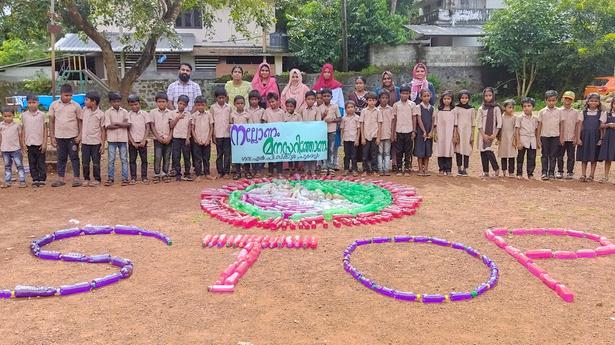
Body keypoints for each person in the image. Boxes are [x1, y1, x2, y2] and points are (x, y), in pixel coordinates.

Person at [49, 83, 82, 187]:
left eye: (70, 95)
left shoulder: (76, 105)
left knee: (74, 157)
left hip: (72, 136)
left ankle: (76, 178)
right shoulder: (54, 105)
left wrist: (79, 135)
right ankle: (60, 178)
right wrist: (52, 137)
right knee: (61, 158)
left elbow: (80, 121)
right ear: (61, 94)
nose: (68, 97)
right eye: (66, 95)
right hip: (59, 137)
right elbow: (51, 122)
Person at [313, 63, 345, 170]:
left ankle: (334, 163)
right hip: (320, 122)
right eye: (325, 72)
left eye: (329, 72)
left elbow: (341, 103)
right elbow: (314, 103)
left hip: (334, 120)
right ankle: (320, 164)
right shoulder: (317, 86)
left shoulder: (337, 86)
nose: (326, 74)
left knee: (333, 144)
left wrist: (338, 120)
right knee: (321, 143)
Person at [104, 91, 130, 186]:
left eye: (118, 101)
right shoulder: (107, 112)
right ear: (110, 102)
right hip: (112, 140)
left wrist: (116, 123)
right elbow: (107, 126)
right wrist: (121, 124)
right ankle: (110, 178)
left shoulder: (125, 112)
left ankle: (125, 178)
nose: (116, 103)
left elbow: (128, 124)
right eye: (114, 101)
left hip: (123, 139)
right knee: (111, 159)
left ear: (121, 102)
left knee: (124, 159)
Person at [21, 94, 47, 187]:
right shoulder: (24, 115)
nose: (32, 104)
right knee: (32, 162)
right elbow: (23, 129)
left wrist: (44, 143)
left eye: (34, 102)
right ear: (27, 103)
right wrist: (23, 143)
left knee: (41, 162)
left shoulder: (42, 115)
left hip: (39, 143)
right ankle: (35, 179)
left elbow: (45, 129)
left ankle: (42, 179)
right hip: (29, 143)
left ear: (38, 103)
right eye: (29, 103)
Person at [577, 93, 604, 182]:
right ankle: (583, 174)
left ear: (599, 102)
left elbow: (601, 127)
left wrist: (601, 138)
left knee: (594, 156)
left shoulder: (601, 113)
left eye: (595, 101)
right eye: (591, 100)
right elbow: (579, 126)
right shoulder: (583, 112)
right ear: (587, 102)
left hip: (595, 137)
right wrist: (578, 138)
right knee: (584, 156)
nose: (593, 102)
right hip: (584, 136)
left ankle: (591, 175)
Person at [80, 91, 105, 187]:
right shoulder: (84, 110)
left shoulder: (101, 114)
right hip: (85, 142)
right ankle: (86, 178)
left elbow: (103, 130)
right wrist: (80, 136)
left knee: (96, 162)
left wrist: (102, 144)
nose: (85, 102)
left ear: (93, 102)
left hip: (96, 142)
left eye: (86, 100)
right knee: (85, 162)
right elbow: (81, 124)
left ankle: (97, 178)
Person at [537, 90, 563, 180]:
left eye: (553, 100)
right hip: (544, 136)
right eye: (549, 100)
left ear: (556, 101)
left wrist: (561, 137)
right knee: (544, 155)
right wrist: (538, 138)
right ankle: (544, 172)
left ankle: (551, 172)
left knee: (553, 155)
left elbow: (561, 124)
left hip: (555, 136)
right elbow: (539, 125)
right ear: (545, 101)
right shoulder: (542, 112)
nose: (551, 102)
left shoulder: (559, 111)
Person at [477, 87, 502, 178]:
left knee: (489, 151)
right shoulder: (481, 108)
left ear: (493, 96)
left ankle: (496, 168)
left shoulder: (496, 108)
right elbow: (478, 123)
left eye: (490, 95)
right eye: (486, 96)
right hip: (482, 134)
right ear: (483, 96)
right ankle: (485, 171)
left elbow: (499, 123)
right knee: (483, 152)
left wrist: (494, 134)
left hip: (492, 133)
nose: (488, 97)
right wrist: (483, 135)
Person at [392, 84, 416, 176]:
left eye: (406, 93)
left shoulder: (412, 104)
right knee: (399, 151)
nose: (404, 95)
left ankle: (407, 168)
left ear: (409, 94)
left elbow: (414, 118)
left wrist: (414, 131)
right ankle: (398, 168)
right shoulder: (396, 105)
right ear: (400, 94)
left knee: (408, 151)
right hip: (399, 131)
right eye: (403, 93)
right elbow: (394, 119)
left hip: (409, 131)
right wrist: (393, 132)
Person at [127, 94, 151, 184]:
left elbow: (147, 127)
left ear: (139, 103)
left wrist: (144, 140)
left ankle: (144, 177)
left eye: (136, 104)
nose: (134, 106)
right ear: (129, 105)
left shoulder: (144, 114)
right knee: (132, 160)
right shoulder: (128, 115)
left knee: (144, 160)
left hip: (142, 141)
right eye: (132, 105)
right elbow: (128, 130)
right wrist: (132, 141)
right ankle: (133, 177)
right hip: (132, 142)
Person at [150, 92, 173, 183]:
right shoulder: (153, 112)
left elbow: (172, 127)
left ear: (167, 102)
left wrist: (170, 137)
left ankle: (165, 173)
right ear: (156, 102)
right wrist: (158, 137)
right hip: (157, 139)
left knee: (167, 156)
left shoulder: (170, 113)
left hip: (168, 139)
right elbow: (152, 126)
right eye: (159, 102)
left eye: (163, 101)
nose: (161, 103)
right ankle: (156, 173)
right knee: (158, 156)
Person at [558, 91, 582, 179]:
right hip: (561, 137)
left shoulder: (576, 112)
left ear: (573, 101)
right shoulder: (558, 111)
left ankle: (570, 172)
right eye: (566, 98)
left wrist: (576, 137)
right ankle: (560, 171)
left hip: (571, 138)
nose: (567, 100)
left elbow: (577, 125)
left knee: (571, 156)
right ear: (562, 99)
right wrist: (560, 137)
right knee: (560, 155)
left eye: (570, 99)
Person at [0, 106, 25, 188]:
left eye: (9, 116)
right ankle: (8, 181)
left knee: (19, 165)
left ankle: (22, 181)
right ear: (2, 116)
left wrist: (22, 147)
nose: (7, 118)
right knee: (7, 166)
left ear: (13, 115)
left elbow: (20, 137)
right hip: (5, 150)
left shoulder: (17, 125)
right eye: (5, 116)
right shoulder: (1, 126)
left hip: (16, 149)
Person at [191, 96, 215, 181]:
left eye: (202, 105)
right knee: (197, 159)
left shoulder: (209, 114)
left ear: (205, 105)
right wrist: (196, 139)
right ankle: (198, 175)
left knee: (206, 158)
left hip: (206, 141)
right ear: (195, 105)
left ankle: (207, 173)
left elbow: (211, 127)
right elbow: (192, 129)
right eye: (198, 105)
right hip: (197, 141)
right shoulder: (194, 116)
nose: (200, 107)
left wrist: (208, 139)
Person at [170, 94, 192, 182]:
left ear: (186, 105)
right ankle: (178, 173)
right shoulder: (172, 113)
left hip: (185, 138)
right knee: (176, 156)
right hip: (176, 138)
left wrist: (188, 138)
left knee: (187, 156)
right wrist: (178, 118)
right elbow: (171, 125)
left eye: (184, 104)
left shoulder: (188, 114)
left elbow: (189, 127)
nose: (182, 106)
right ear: (177, 103)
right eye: (180, 103)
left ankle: (187, 173)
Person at [515, 97, 539, 179]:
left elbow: (536, 131)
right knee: (520, 158)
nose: (526, 108)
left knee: (532, 158)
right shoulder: (520, 117)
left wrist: (537, 141)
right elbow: (517, 130)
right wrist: (518, 142)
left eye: (529, 106)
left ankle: (530, 174)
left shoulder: (535, 118)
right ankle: (519, 173)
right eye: (524, 106)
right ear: (522, 107)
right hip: (523, 139)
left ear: (533, 107)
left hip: (532, 140)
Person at [434, 90, 457, 176]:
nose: (446, 100)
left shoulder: (453, 111)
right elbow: (435, 124)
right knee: (441, 151)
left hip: (449, 134)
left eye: (448, 98)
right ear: (442, 100)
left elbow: (455, 124)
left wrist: (454, 134)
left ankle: (448, 170)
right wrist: (435, 133)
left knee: (448, 151)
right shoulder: (438, 111)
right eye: (445, 98)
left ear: (451, 100)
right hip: (441, 134)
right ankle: (441, 169)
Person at [262, 92, 285, 177]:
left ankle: (279, 172)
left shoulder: (282, 112)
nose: (272, 103)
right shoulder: (266, 111)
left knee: (279, 154)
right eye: (270, 102)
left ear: (277, 101)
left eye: (273, 101)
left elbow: (284, 124)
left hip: (279, 137)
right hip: (269, 136)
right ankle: (270, 171)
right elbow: (264, 122)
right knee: (270, 154)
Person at [360, 92, 383, 176]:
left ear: (376, 101)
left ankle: (374, 170)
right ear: (366, 101)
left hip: (374, 135)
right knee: (365, 154)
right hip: (366, 136)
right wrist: (362, 137)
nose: (372, 102)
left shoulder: (378, 111)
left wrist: (378, 137)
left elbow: (380, 124)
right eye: (370, 100)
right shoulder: (364, 111)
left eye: (373, 100)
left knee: (374, 154)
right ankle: (365, 170)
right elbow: (361, 124)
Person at [212, 87, 233, 178]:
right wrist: (213, 135)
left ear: (226, 97)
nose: (221, 99)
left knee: (227, 154)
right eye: (219, 98)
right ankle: (220, 171)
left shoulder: (229, 107)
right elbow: (212, 122)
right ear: (216, 98)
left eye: (223, 98)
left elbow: (231, 121)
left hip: (227, 134)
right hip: (218, 134)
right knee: (219, 154)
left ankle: (227, 172)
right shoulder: (213, 108)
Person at [320, 88, 342, 175]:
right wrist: (323, 116)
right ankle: (324, 166)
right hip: (322, 131)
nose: (326, 98)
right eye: (324, 96)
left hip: (332, 130)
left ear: (331, 97)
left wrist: (332, 120)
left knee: (331, 149)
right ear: (321, 97)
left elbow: (339, 118)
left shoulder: (335, 106)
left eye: (328, 96)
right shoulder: (319, 107)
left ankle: (331, 166)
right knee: (324, 148)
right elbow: (318, 120)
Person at [454, 90, 475, 177]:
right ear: (459, 98)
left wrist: (472, 135)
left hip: (468, 132)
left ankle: (465, 168)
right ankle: (459, 168)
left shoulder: (471, 109)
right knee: (458, 150)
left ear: (469, 99)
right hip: (459, 131)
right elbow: (455, 122)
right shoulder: (456, 108)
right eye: (462, 98)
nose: (464, 99)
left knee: (466, 150)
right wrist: (456, 133)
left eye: (466, 98)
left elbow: (473, 123)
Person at [414, 89, 435, 176]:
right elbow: (419, 120)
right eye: (424, 96)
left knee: (427, 151)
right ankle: (420, 169)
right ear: (421, 97)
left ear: (430, 96)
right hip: (420, 132)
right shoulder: (418, 107)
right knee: (420, 151)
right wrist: (424, 131)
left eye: (428, 96)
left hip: (429, 132)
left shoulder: (432, 108)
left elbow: (433, 121)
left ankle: (426, 169)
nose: (426, 98)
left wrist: (430, 132)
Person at [301, 90, 321, 177]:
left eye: (312, 99)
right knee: (305, 152)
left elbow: (318, 122)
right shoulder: (302, 109)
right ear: (305, 100)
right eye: (308, 99)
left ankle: (313, 170)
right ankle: (306, 170)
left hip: (313, 135)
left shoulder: (317, 110)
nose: (310, 101)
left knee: (313, 152)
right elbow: (299, 122)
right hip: (304, 134)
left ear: (315, 100)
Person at [231, 95, 252, 179]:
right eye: (238, 103)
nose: (240, 105)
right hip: (236, 139)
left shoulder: (247, 115)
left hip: (245, 139)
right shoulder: (232, 114)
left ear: (244, 104)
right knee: (237, 155)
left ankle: (247, 171)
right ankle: (238, 172)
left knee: (246, 155)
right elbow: (230, 125)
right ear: (234, 104)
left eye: (242, 103)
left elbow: (250, 126)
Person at [246, 90, 265, 177]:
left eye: (255, 99)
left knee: (260, 152)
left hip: (260, 136)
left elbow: (264, 122)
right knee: (251, 152)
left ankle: (259, 170)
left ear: (259, 100)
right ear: (249, 100)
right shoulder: (246, 111)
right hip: (249, 136)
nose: (254, 101)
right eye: (252, 99)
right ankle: (253, 169)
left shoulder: (262, 111)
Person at [499, 99, 518, 177]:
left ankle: (511, 172)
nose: (511, 109)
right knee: (503, 155)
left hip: (511, 138)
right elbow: (499, 128)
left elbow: (516, 129)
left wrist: (515, 139)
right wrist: (498, 139)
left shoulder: (515, 117)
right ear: (504, 108)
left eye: (512, 108)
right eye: (509, 107)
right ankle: (504, 171)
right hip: (503, 138)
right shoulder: (501, 117)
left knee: (511, 155)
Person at [283, 98, 302, 175]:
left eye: (291, 106)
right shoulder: (284, 115)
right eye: (288, 106)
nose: (289, 108)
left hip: (296, 138)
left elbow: (301, 126)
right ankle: (290, 168)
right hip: (288, 138)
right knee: (289, 153)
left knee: (296, 153)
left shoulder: (298, 116)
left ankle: (296, 168)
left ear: (294, 107)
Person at [341, 101, 360, 176]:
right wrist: (342, 139)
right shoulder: (344, 118)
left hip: (354, 139)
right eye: (348, 107)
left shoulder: (357, 118)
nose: (350, 109)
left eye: (352, 107)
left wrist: (357, 139)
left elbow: (359, 129)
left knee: (354, 155)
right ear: (345, 109)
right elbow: (342, 129)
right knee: (346, 155)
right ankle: (346, 169)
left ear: (355, 108)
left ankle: (354, 169)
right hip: (346, 139)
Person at [598, 98, 615, 183]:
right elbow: (601, 125)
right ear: (612, 104)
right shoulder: (606, 114)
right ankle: (605, 176)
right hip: (609, 138)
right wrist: (608, 125)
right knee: (608, 158)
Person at [377, 90, 394, 176]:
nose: (384, 100)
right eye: (382, 98)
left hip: (388, 134)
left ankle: (386, 169)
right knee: (380, 153)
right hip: (378, 135)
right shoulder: (376, 110)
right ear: (379, 99)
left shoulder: (391, 109)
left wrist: (392, 134)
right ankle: (380, 169)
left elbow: (392, 123)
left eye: (386, 98)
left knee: (387, 153)